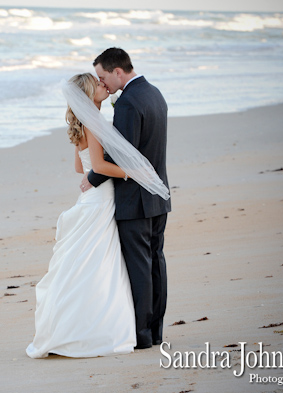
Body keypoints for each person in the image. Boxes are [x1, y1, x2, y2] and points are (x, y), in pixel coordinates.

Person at [26, 73, 137, 358]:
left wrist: (98, 170)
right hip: (100, 201)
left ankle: (73, 329)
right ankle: (91, 330)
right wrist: (132, 172)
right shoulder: (94, 122)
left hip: (92, 198)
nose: (103, 85)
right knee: (98, 264)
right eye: (97, 84)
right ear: (88, 94)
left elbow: (81, 167)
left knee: (87, 265)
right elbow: (98, 165)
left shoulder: (85, 122)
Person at [82, 47, 171, 349]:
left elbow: (123, 155)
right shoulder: (154, 93)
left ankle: (142, 335)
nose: (102, 82)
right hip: (159, 195)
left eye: (103, 76)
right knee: (156, 262)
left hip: (137, 200)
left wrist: (92, 177)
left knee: (140, 266)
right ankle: (156, 331)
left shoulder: (129, 103)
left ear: (117, 71)